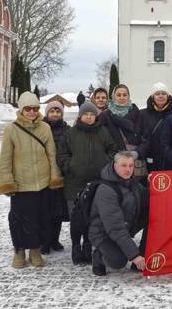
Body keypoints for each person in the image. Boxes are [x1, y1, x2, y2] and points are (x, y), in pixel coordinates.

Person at [0, 92, 63, 269]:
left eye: (35, 108)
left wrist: (54, 177)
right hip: (21, 183)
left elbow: (51, 154)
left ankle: (34, 249)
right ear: (21, 109)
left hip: (42, 182)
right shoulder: (12, 129)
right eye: (28, 108)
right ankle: (19, 250)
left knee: (40, 218)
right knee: (19, 219)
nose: (32, 112)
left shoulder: (45, 128)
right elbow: (5, 159)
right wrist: (6, 181)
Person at [57, 101, 118, 265]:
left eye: (92, 114)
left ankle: (88, 246)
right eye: (86, 114)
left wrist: (106, 163)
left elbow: (113, 150)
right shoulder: (71, 133)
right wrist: (70, 165)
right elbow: (62, 153)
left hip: (97, 183)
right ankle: (76, 247)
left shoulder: (102, 131)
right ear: (80, 116)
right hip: (75, 183)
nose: (89, 117)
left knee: (92, 217)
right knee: (76, 217)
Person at [88, 151, 146, 276]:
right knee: (118, 261)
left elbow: (148, 198)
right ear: (115, 166)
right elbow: (115, 228)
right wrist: (134, 255)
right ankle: (98, 257)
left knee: (152, 215)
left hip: (125, 224)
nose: (128, 170)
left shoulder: (132, 182)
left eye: (131, 166)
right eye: (124, 165)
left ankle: (145, 252)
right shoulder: (106, 190)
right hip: (102, 233)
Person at [98, 84, 146, 180]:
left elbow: (146, 139)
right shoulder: (105, 116)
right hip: (113, 164)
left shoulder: (138, 114)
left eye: (125, 95)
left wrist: (137, 153)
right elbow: (99, 140)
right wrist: (112, 156)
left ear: (128, 96)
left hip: (134, 164)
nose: (122, 98)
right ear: (113, 96)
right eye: (118, 95)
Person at [41, 100, 70, 254]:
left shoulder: (67, 130)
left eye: (58, 111)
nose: (55, 114)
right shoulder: (41, 128)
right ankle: (44, 242)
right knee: (44, 210)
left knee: (58, 210)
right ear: (47, 113)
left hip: (60, 174)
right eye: (52, 111)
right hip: (44, 174)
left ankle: (54, 239)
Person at [138, 82, 172, 171]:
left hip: (170, 160)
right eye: (157, 93)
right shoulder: (142, 114)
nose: (161, 96)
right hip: (149, 160)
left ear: (168, 96)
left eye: (164, 93)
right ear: (152, 97)